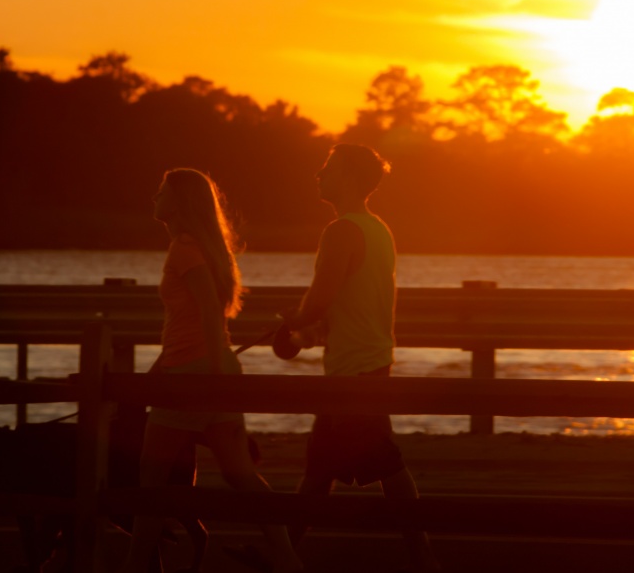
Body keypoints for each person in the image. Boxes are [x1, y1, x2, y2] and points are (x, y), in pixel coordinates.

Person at [117, 168, 304, 573]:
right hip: (204, 369)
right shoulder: (200, 247)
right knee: (241, 476)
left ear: (179, 202)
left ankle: (136, 566)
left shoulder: (185, 248)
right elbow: (191, 326)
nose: (154, 197)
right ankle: (288, 560)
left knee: (150, 478)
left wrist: (211, 379)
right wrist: (160, 370)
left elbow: (208, 315)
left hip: (195, 376)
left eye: (162, 191)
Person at [282, 143, 441, 572]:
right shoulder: (378, 229)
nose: (318, 174)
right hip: (369, 358)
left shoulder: (341, 231)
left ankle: (421, 554)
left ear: (348, 178)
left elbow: (319, 301)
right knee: (319, 470)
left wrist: (288, 323)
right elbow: (347, 304)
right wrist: (311, 329)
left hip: (353, 370)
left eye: (328, 168)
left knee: (383, 460)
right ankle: (284, 554)